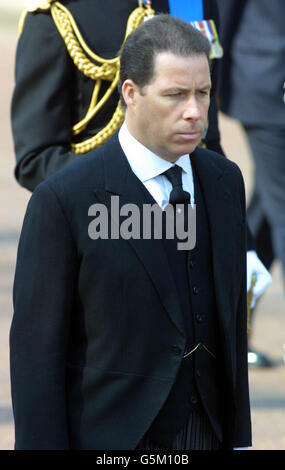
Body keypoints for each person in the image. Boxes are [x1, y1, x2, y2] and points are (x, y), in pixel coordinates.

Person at [10, 14, 251, 450]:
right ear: (131, 94)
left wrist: (239, 438)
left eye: (203, 93)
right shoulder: (65, 199)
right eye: (175, 95)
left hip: (208, 433)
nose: (195, 112)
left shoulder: (224, 181)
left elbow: (230, 328)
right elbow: (36, 355)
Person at [217, 0, 285, 367]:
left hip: (266, 81)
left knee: (265, 212)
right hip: (269, 82)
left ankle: (228, 330)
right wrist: (212, 76)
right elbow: (223, 9)